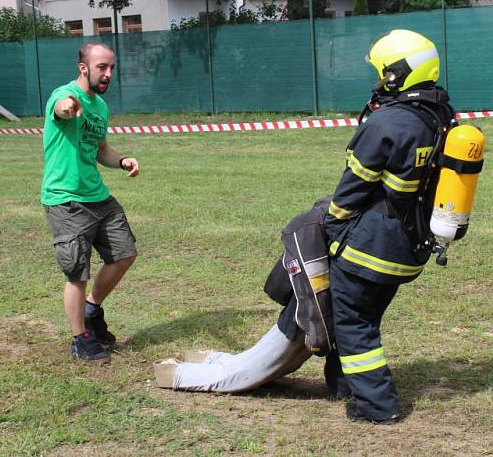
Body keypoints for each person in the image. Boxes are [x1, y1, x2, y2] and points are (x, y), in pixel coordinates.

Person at [322, 29, 457, 424]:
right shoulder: (441, 114)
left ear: (397, 74)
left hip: (373, 244)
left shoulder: (390, 122)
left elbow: (354, 185)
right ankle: (344, 384)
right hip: (412, 243)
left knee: (353, 319)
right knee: (363, 314)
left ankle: (378, 407)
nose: (380, 80)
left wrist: (333, 222)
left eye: (383, 73)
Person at [155, 197, 335, 392]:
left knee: (271, 361)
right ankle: (176, 374)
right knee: (251, 368)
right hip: (310, 304)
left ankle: (213, 359)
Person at [41, 42, 140, 364]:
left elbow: (100, 148)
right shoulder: (65, 94)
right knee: (77, 273)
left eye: (111, 68)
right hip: (66, 200)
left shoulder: (99, 107)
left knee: (125, 254)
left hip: (98, 196)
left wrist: (122, 160)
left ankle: (92, 309)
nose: (108, 73)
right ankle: (80, 338)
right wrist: (68, 107)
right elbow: (62, 107)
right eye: (102, 67)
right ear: (83, 67)